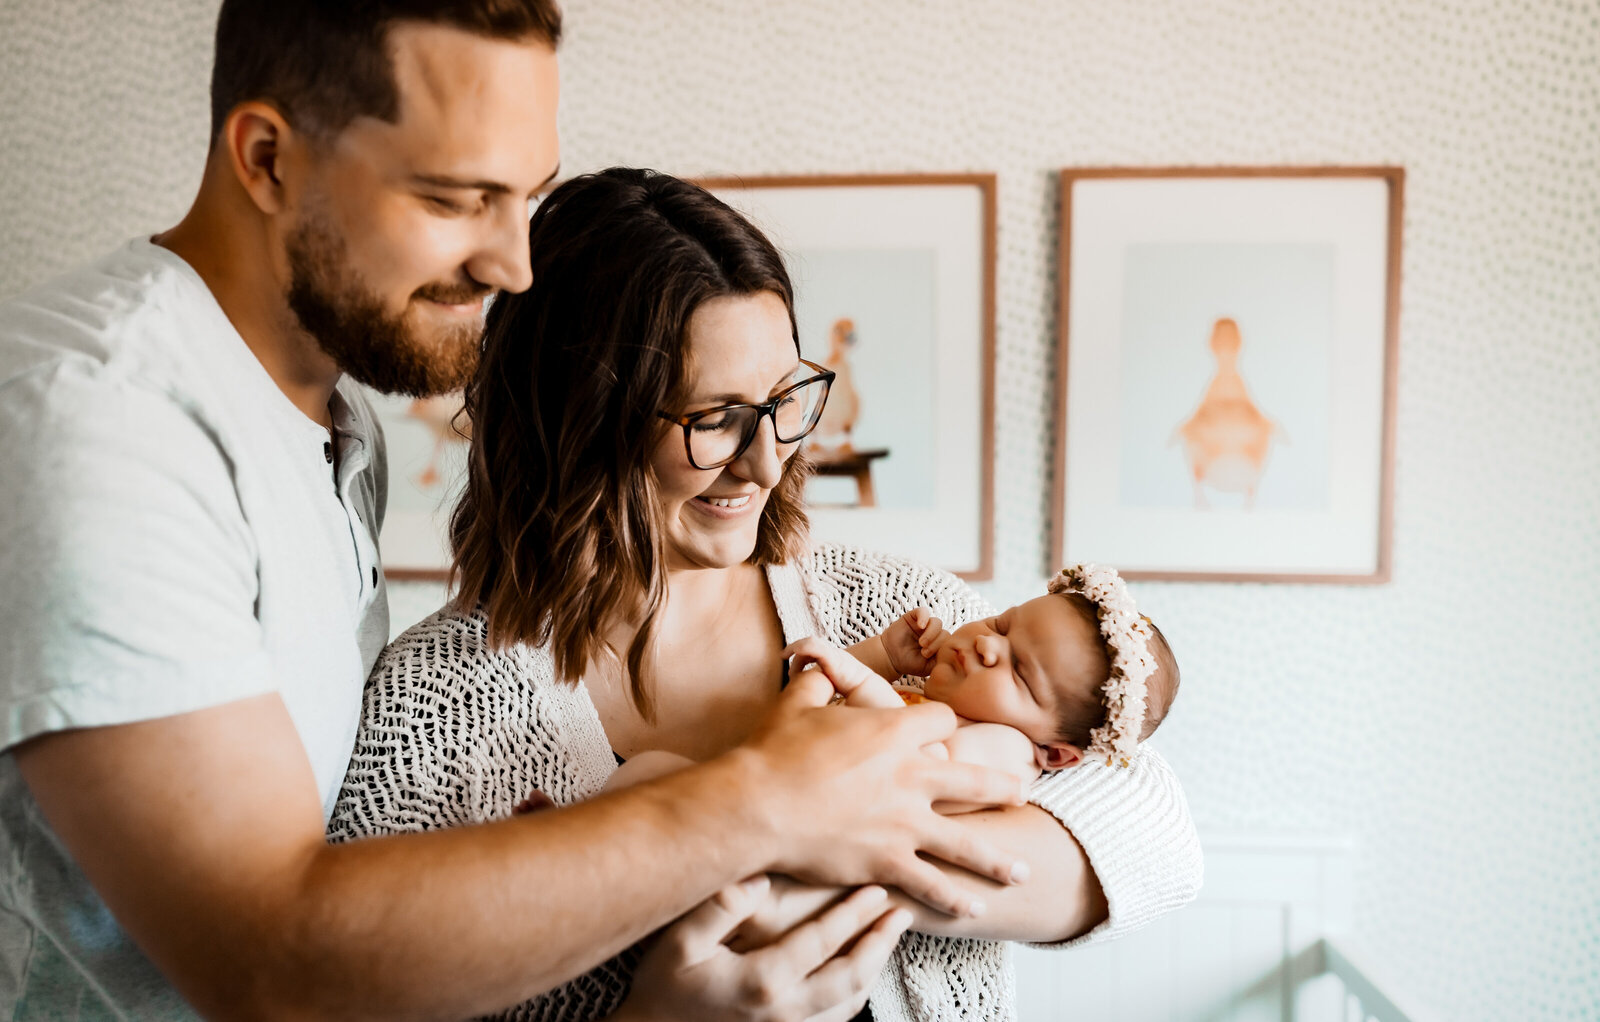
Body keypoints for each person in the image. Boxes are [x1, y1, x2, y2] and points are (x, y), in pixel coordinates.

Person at [0, 3, 1037, 1018]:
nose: (513, 265)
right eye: (457, 198)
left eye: (525, 196)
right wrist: (769, 799)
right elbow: (272, 962)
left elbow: (1127, 799)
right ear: (267, 158)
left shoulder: (330, 422)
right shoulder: (100, 421)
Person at [330, 167, 1204, 1022]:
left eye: (783, 399)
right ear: (575, 418)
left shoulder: (891, 611)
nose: (766, 459)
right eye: (713, 418)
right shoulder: (428, 716)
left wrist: (834, 848)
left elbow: (1151, 827)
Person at [628, 562, 1181, 798]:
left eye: (1019, 671)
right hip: (767, 791)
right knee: (649, 772)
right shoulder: (930, 696)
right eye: (1003, 625)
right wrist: (884, 657)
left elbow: (914, 762)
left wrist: (857, 676)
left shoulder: (1007, 751)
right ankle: (572, 842)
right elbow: (842, 709)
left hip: (803, 847)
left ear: (1055, 753)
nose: (988, 645)